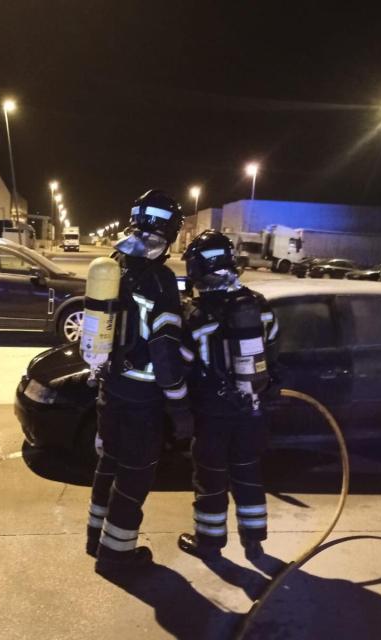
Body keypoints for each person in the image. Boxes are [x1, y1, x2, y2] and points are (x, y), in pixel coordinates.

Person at [86, 189, 193, 572]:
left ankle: (95, 539)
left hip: (109, 390)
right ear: (171, 233)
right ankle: (116, 557)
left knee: (107, 466)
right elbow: (164, 352)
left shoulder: (114, 264)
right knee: (132, 480)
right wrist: (180, 407)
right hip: (141, 400)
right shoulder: (161, 281)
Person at [177, 229, 278, 561]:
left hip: (212, 415)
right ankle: (254, 541)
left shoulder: (195, 315)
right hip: (252, 410)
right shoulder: (259, 306)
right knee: (249, 474)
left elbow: (184, 363)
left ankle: (209, 543)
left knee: (211, 480)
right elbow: (274, 349)